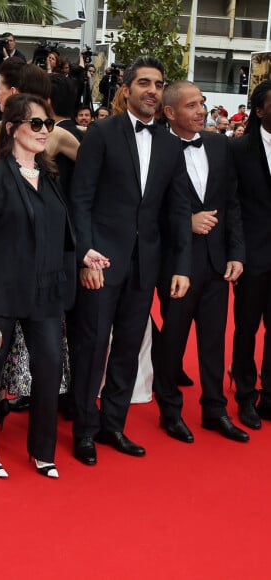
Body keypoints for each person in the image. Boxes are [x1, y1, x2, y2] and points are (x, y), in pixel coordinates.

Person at [70, 56, 192, 466]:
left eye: (158, 84)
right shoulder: (102, 133)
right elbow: (81, 199)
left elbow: (177, 211)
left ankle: (112, 425)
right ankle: (84, 430)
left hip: (146, 264)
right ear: (126, 89)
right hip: (101, 263)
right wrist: (85, 256)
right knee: (91, 347)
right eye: (144, 82)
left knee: (126, 347)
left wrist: (180, 266)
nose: (152, 91)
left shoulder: (172, 144)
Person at [0, 93, 76, 478]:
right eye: (36, 124)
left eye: (49, 124)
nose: (46, 131)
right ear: (13, 128)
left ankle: (43, 450)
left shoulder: (50, 176)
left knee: (49, 369)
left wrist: (83, 256)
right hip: (1, 292)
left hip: (46, 292)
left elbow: (60, 232)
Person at [154, 80, 248, 443]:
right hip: (176, 261)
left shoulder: (219, 144)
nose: (201, 110)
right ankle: (170, 410)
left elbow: (232, 204)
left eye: (202, 103)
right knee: (173, 340)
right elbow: (146, 208)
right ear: (170, 112)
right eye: (191, 105)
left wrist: (237, 252)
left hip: (216, 261)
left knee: (213, 341)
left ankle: (215, 410)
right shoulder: (158, 147)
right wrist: (185, 222)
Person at [230, 80, 271, 429]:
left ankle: (269, 395)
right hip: (252, 256)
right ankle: (245, 395)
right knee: (246, 329)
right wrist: (237, 253)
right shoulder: (239, 150)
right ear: (260, 110)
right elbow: (232, 207)